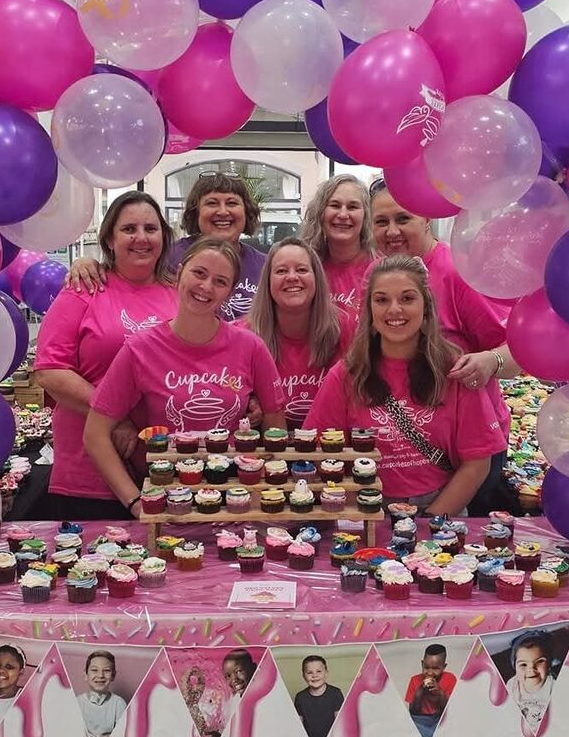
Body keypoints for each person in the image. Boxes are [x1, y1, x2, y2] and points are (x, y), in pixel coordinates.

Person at [86, 239, 286, 515]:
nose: (206, 287)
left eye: (220, 281)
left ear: (229, 292)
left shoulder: (250, 347)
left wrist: (260, 490)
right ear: (180, 273)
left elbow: (276, 425)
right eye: (199, 273)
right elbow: (94, 434)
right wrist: (134, 501)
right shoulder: (141, 349)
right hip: (169, 504)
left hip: (236, 503)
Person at [306, 255, 507, 516]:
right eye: (381, 300)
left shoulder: (455, 371)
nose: (394, 309)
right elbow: (319, 453)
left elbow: (477, 463)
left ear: (426, 308)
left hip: (441, 510)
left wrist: (429, 524)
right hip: (366, 511)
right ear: (369, 313)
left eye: (407, 298)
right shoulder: (346, 375)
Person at [369, 176, 516, 514]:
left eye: (402, 218)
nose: (392, 231)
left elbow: (515, 349)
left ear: (427, 218)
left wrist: (489, 361)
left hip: (467, 449)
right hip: (402, 447)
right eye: (381, 222)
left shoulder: (457, 272)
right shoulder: (376, 274)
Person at [32, 191, 177, 521]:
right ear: (110, 239)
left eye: (150, 229)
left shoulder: (180, 293)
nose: (141, 238)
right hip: (88, 473)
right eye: (129, 229)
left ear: (163, 238)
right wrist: (114, 418)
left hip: (165, 470)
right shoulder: (84, 289)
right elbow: (50, 371)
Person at [66, 172, 266, 321]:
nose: (222, 212)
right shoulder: (168, 255)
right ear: (196, 213)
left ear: (246, 211)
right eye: (212, 203)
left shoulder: (266, 265)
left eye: (232, 203)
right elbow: (126, 270)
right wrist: (88, 264)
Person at [245, 239, 352, 428]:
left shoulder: (347, 328)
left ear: (317, 278)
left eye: (302, 270)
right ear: (267, 281)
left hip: (330, 448)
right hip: (265, 451)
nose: (292, 277)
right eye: (281, 271)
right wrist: (247, 402)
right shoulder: (244, 334)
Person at [297, 175, 374, 315]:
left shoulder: (380, 269)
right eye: (335, 205)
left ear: (366, 215)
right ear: (320, 213)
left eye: (352, 207)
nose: (343, 214)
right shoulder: (305, 268)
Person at [405, 643, 455, 737]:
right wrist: (419, 692)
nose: (430, 672)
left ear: (444, 667)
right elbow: (413, 712)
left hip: (440, 718)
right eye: (426, 667)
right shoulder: (414, 680)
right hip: (421, 720)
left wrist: (440, 693)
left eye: (436, 668)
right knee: (411, 729)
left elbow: (449, 710)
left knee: (452, 729)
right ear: (422, 664)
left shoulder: (450, 678)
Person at [78, 650, 128, 737]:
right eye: (94, 670)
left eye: (106, 670)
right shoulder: (78, 703)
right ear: (86, 675)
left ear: (113, 675)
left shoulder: (119, 704)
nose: (100, 675)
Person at [293, 655, 344, 737]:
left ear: (326, 673)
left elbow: (340, 723)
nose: (314, 675)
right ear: (303, 676)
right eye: (309, 672)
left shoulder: (335, 693)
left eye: (319, 671)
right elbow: (298, 725)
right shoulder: (300, 697)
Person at [507, 631, 554, 731]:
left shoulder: (553, 685)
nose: (531, 669)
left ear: (549, 663)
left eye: (539, 661)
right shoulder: (512, 685)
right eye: (523, 665)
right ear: (515, 667)